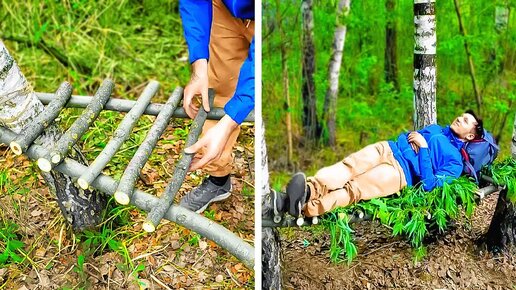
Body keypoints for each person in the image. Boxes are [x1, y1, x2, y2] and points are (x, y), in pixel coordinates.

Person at [275, 110, 484, 219]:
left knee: (354, 189)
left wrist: (424, 149)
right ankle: (309, 190)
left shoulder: (455, 163)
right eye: (461, 116)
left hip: (400, 173)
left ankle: (305, 208)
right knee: (348, 167)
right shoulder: (437, 128)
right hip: (388, 148)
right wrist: (408, 140)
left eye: (466, 120)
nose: (459, 118)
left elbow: (430, 185)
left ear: (471, 135)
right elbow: (409, 137)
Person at [178, 0, 254, 213]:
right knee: (217, 84)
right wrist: (199, 66)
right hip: (226, 9)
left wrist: (231, 120)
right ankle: (218, 180)